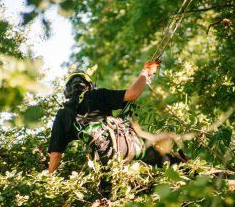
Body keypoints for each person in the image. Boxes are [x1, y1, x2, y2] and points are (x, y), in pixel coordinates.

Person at [48, 61, 186, 173]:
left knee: (107, 200)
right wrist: (146, 72)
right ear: (89, 85)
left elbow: (55, 155)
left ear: (68, 91)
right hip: (128, 146)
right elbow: (133, 93)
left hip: (105, 160)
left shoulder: (63, 113)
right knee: (171, 163)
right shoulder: (96, 95)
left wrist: (49, 183)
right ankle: (188, 170)